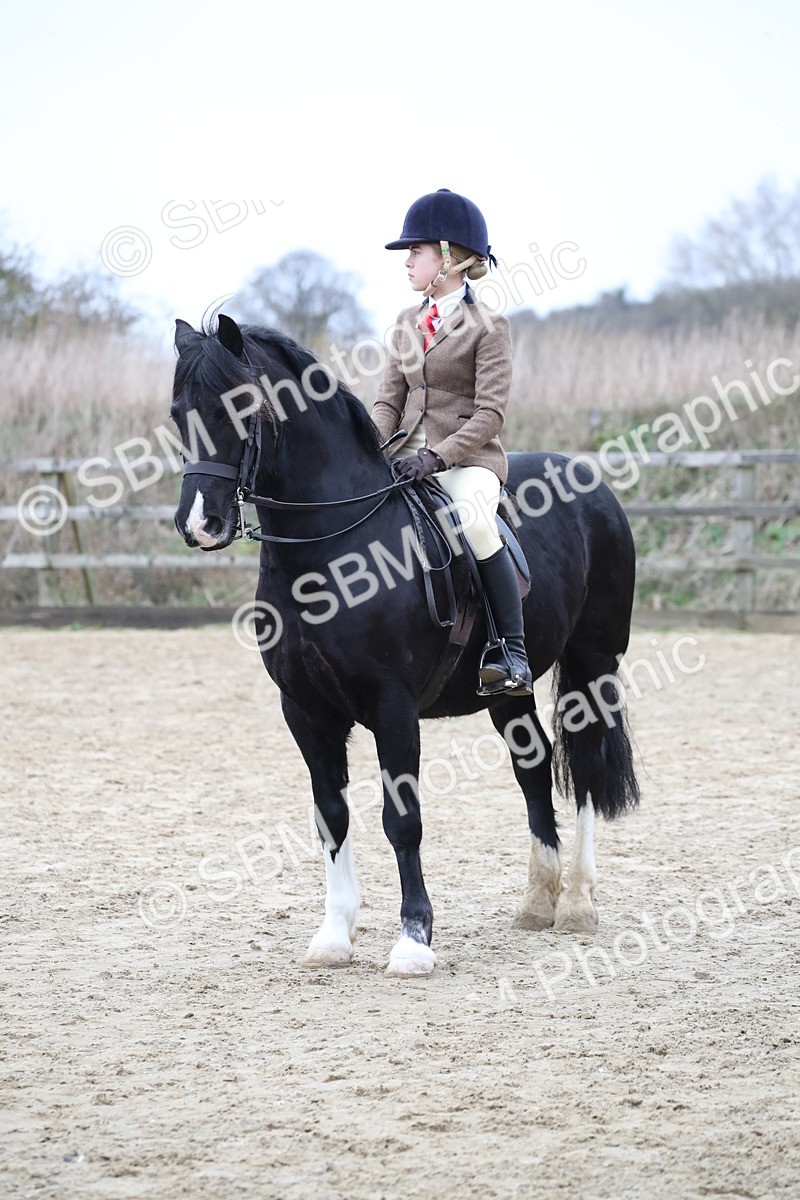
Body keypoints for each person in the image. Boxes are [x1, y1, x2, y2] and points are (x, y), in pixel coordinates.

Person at [371, 188, 532, 697]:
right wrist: (369, 449)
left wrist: (437, 456)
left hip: (467, 460)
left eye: (414, 252)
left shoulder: (489, 326)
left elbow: (490, 414)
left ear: (447, 257)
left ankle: (511, 652)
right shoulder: (406, 323)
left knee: (475, 522)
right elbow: (387, 402)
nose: (407, 262)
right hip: (404, 455)